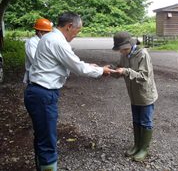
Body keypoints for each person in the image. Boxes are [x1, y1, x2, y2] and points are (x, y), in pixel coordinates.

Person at [24, 12, 113, 171]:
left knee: (42, 136)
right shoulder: (58, 41)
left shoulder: (48, 38)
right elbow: (78, 67)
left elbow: (65, 63)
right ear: (69, 26)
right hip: (44, 94)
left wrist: (90, 66)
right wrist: (101, 71)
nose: (75, 36)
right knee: (48, 141)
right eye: (76, 32)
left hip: (37, 92)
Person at [111, 31, 158, 162]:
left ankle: (144, 149)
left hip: (145, 94)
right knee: (136, 120)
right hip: (133, 94)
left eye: (121, 49)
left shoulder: (143, 54)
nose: (121, 52)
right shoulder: (125, 55)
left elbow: (144, 76)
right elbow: (121, 69)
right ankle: (137, 145)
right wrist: (112, 70)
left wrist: (125, 71)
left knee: (145, 121)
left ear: (128, 46)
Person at [23, 18, 53, 84]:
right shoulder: (32, 42)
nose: (49, 34)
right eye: (46, 32)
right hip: (35, 77)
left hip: (43, 77)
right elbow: (35, 61)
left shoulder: (44, 41)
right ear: (39, 32)